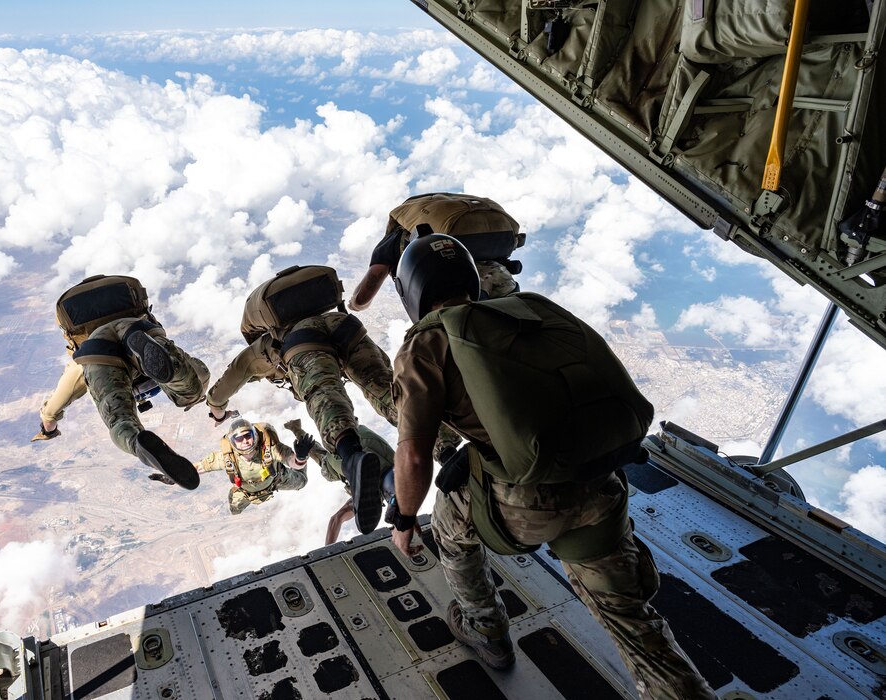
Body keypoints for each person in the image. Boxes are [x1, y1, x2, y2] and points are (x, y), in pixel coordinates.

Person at [388, 235, 714, 699]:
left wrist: (404, 520)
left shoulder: (427, 343)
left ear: (412, 294)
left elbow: (414, 454)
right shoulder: (532, 312)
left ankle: (486, 628)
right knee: (639, 630)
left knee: (449, 522)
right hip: (601, 486)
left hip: (525, 505)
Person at [206, 265, 404, 536]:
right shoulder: (327, 313)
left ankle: (352, 458)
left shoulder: (262, 350)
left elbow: (222, 390)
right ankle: (445, 445)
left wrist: (217, 412)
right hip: (346, 327)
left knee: (323, 394)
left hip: (304, 341)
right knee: (390, 392)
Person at [33, 275, 210, 490]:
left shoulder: (79, 365)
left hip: (98, 351)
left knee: (120, 420)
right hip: (139, 330)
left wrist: (48, 428)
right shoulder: (139, 320)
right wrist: (198, 397)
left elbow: (53, 408)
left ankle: (139, 446)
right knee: (193, 384)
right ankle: (175, 379)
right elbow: (201, 372)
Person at [349, 192, 525, 312]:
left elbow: (364, 296)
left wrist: (353, 305)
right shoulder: (483, 241)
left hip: (449, 302)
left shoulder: (397, 237)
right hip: (503, 285)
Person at [283, 419, 396, 544]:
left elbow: (336, 519)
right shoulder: (367, 493)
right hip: (342, 452)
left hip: (354, 430)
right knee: (325, 462)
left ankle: (296, 428)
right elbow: (337, 519)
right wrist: (328, 553)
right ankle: (296, 429)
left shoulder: (402, 464)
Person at [182, 417, 310, 514]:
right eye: (239, 439)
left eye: (248, 436)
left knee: (302, 482)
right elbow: (199, 467)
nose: (245, 441)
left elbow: (293, 462)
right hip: (246, 491)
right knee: (234, 511)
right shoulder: (226, 458)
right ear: (233, 442)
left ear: (254, 435)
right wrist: (176, 474)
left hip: (276, 480)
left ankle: (296, 429)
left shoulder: (270, 449)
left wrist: (301, 456)